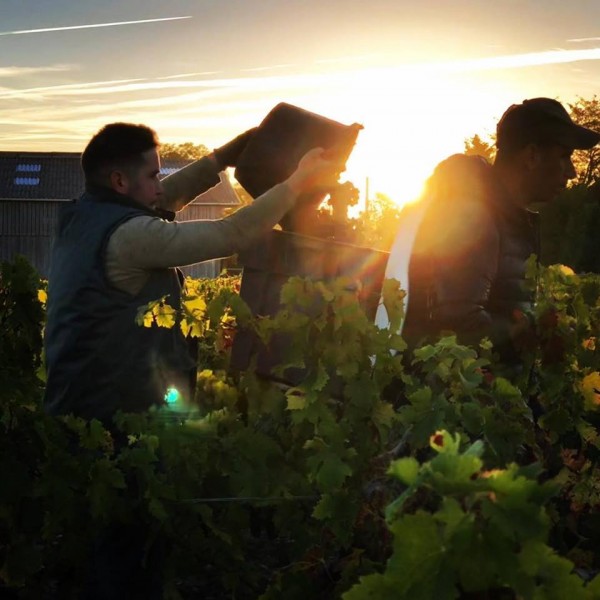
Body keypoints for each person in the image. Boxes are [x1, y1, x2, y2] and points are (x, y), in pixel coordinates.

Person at [43, 123, 343, 425]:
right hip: (113, 417)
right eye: (152, 176)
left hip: (77, 405)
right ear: (119, 181)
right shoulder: (129, 236)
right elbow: (232, 233)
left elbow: (161, 198)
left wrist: (223, 157)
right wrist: (299, 181)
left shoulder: (83, 216)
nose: (160, 186)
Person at [382, 98, 600, 365]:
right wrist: (536, 335)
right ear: (531, 156)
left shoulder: (503, 214)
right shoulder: (472, 215)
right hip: (454, 401)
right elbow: (455, 325)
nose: (572, 172)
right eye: (564, 156)